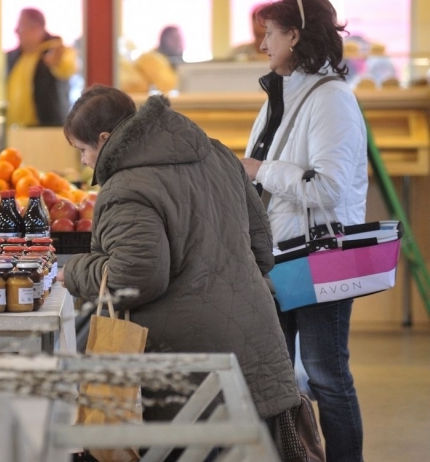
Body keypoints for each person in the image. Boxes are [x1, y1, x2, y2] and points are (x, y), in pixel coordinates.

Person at [59, 85, 300, 435]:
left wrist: (75, 271)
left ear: (104, 138)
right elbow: (262, 246)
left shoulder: (126, 187)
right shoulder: (216, 153)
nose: (83, 161)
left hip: (190, 364)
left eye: (82, 150)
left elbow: (133, 278)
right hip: (255, 341)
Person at [241, 0, 367, 462]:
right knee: (281, 376)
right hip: (283, 256)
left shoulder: (330, 100)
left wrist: (258, 169)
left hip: (319, 258)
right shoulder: (284, 92)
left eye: (268, 35)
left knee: (325, 376)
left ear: (293, 35)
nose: (262, 46)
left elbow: (328, 188)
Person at [6, 8, 76, 127]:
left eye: (21, 25)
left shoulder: (55, 49)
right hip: (16, 129)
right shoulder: (14, 56)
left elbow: (68, 67)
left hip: (47, 129)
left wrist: (57, 62)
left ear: (36, 28)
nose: (16, 30)